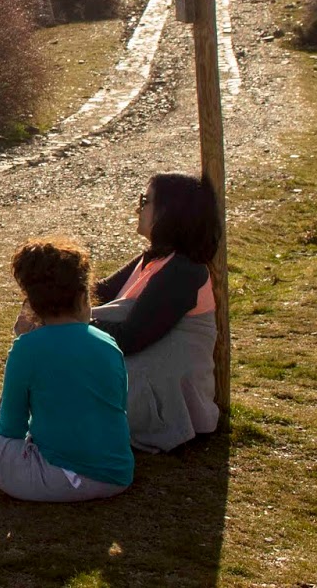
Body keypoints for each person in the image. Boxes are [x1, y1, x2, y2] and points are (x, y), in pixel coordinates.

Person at [0, 238, 132, 502]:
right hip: (118, 475)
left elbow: (10, 430)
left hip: (58, 480)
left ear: (32, 304)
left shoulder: (27, 348)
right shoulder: (108, 343)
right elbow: (117, 407)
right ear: (82, 297)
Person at [91, 173, 222, 452]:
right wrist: (51, 291)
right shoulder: (154, 258)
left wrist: (70, 322)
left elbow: (130, 338)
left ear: (169, 211)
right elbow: (99, 292)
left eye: (145, 200)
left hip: (160, 399)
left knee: (54, 351)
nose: (138, 208)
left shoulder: (183, 271)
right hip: (140, 380)